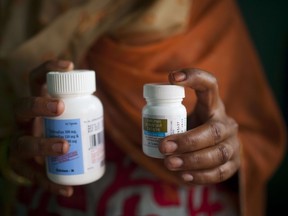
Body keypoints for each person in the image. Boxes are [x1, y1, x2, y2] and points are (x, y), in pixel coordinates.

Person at [0, 0, 286, 215]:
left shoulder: (207, 9)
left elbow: (256, 138)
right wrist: (11, 153)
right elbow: (8, 141)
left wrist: (223, 152)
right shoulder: (19, 8)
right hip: (53, 201)